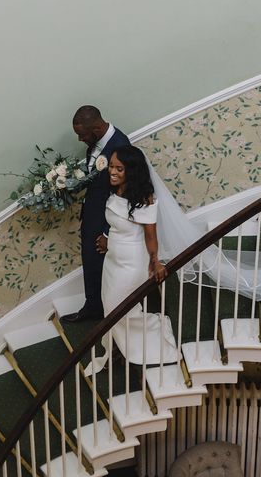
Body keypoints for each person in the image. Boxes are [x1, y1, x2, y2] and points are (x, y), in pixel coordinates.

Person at [90, 145, 176, 367]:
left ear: (132, 170)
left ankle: (147, 340)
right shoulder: (115, 191)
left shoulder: (144, 199)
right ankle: (118, 348)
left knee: (117, 309)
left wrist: (155, 261)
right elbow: (122, 226)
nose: (113, 171)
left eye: (119, 168)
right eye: (111, 166)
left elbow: (150, 236)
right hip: (112, 262)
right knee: (109, 306)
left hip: (132, 264)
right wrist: (109, 241)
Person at [61, 106, 130, 323]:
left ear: (98, 129)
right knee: (91, 264)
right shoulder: (95, 144)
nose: (80, 139)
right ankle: (93, 307)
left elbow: (123, 193)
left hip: (105, 221)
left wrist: (108, 233)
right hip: (91, 215)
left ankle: (106, 312)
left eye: (82, 135)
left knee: (103, 268)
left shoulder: (120, 146)